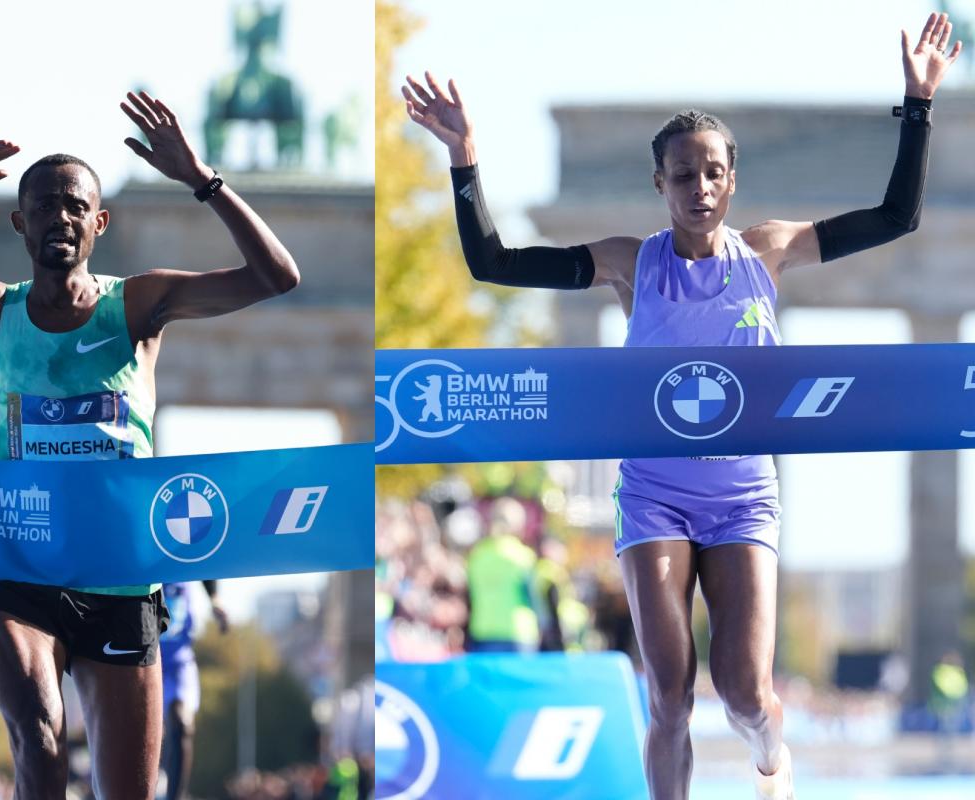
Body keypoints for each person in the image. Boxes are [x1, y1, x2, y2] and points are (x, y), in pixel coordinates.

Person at [404, 12, 961, 800]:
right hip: (656, 496)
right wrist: (465, 158)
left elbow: (895, 217)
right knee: (667, 694)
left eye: (711, 174)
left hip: (741, 499)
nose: (697, 189)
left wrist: (917, 102)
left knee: (742, 692)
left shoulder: (767, 251)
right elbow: (493, 261)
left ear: (731, 180)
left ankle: (772, 757)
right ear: (658, 184)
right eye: (680, 175)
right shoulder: (631, 266)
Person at [0, 91, 299, 799]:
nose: (61, 218)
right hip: (19, 561)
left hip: (119, 571)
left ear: (99, 222)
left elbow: (276, 277)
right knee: (38, 739)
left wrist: (203, 178)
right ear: (21, 222)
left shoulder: (139, 304)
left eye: (76, 206)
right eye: (45, 205)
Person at [159, 581, 229, 800]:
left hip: (179, 660)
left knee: (181, 724)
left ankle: (175, 796)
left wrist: (215, 599)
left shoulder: (179, 548)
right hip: (139, 657)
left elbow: (201, 553)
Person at [464, 497, 540, 652]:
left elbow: (470, 595)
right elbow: (532, 598)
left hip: (482, 631)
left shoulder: (477, 555)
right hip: (518, 633)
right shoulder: (522, 556)